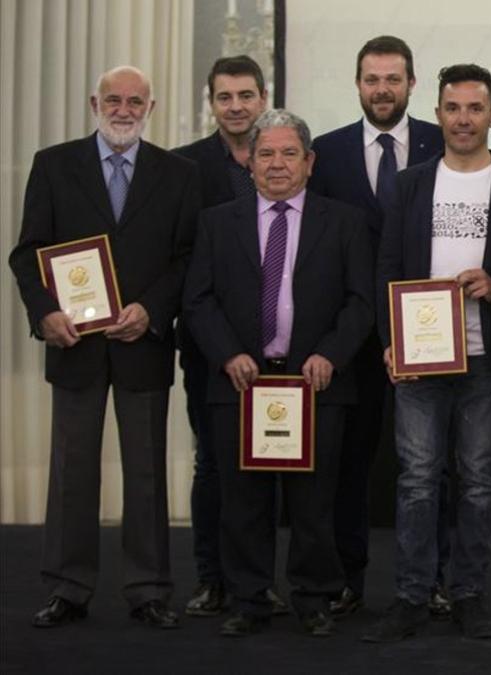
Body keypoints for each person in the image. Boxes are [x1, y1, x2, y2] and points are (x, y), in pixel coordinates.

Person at [9, 65, 201, 629]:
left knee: (146, 470)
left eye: (134, 101)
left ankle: (148, 589)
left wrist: (154, 310)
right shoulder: (53, 164)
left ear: (151, 107)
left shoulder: (179, 174)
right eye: (113, 99)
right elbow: (27, 254)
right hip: (75, 345)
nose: (123, 109)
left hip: (143, 342)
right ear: (94, 103)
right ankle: (68, 587)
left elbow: (187, 257)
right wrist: (45, 312)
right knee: (72, 470)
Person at [183, 109, 374, 638]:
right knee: (242, 501)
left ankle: (313, 598)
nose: (277, 164)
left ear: (309, 162)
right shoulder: (217, 222)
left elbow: (362, 302)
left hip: (316, 384)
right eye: (265, 153)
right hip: (241, 383)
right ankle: (248, 600)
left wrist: (330, 356)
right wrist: (226, 354)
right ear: (249, 161)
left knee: (315, 502)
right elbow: (197, 301)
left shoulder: (345, 222)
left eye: (290, 153)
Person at [361, 64, 491, 643]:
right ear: (439, 115)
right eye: (453, 109)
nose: (464, 119)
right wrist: (389, 342)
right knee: (418, 480)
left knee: (479, 480)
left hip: (486, 358)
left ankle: (468, 594)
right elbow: (387, 270)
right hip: (420, 360)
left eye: (475, 109)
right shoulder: (410, 183)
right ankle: (411, 596)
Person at [308, 35, 448, 618]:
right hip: (351, 337)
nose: (382, 89)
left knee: (434, 464)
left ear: (412, 84)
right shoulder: (325, 152)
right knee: (348, 462)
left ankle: (434, 579)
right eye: (372, 79)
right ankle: (347, 578)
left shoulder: (446, 142)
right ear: (358, 84)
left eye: (393, 79)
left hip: (432, 333)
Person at [173, 54, 289, 618]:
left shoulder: (286, 154)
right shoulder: (183, 168)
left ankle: (260, 580)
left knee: (271, 461)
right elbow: (179, 260)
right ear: (211, 102)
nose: (237, 106)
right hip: (211, 348)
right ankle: (212, 577)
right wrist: (219, 345)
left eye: (246, 95)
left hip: (281, 347)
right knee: (214, 465)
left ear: (263, 97)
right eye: (225, 96)